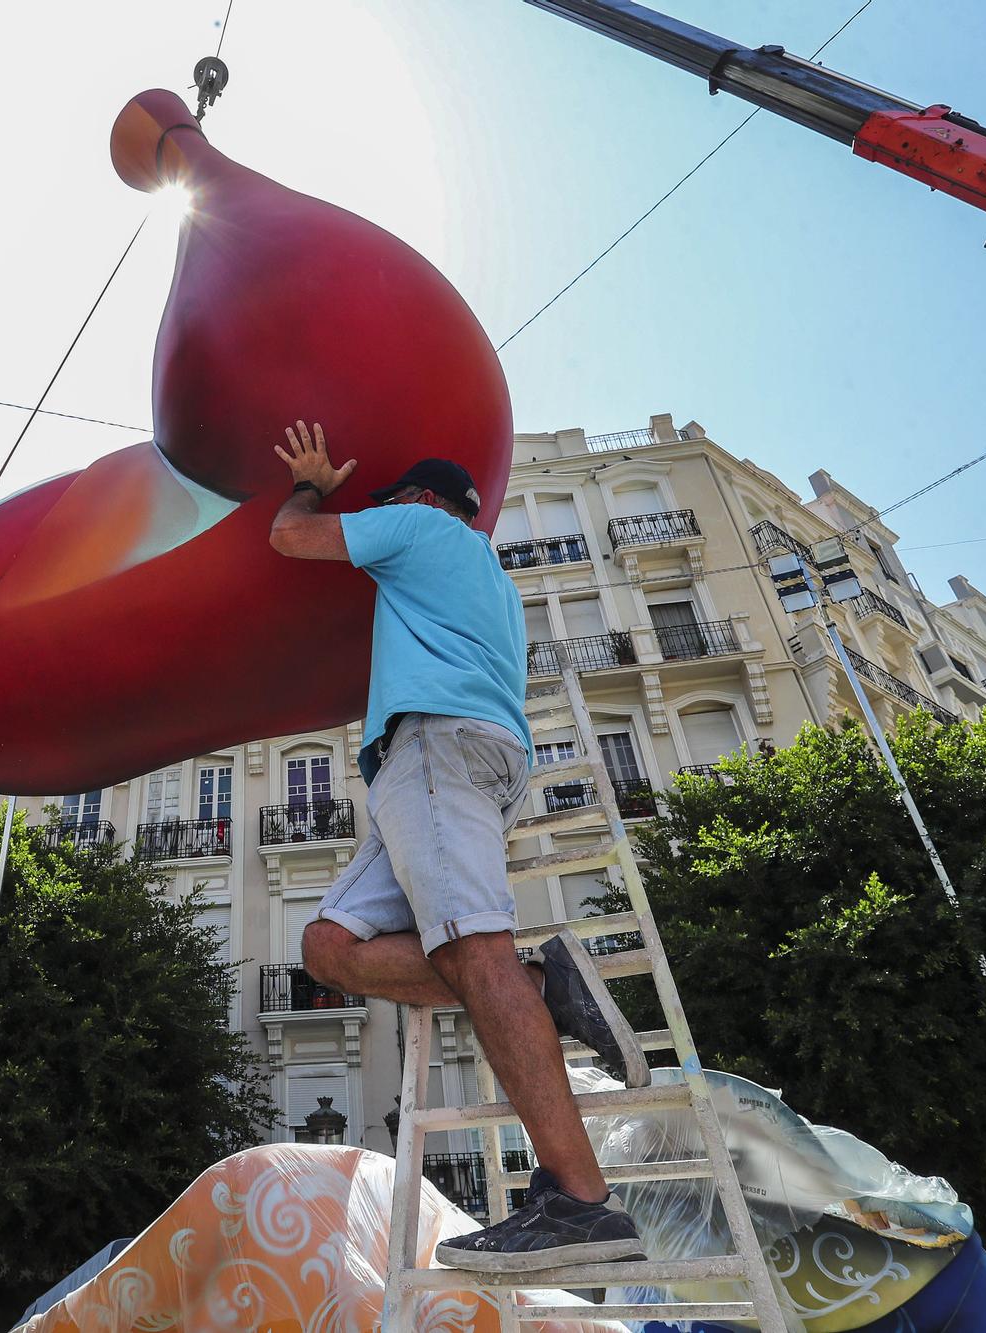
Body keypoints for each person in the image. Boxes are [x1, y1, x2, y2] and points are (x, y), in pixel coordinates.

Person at [269, 420, 649, 1272]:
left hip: (435, 752)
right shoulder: (496, 583)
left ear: (424, 499)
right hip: (457, 758)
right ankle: (545, 985)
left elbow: (289, 536)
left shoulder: (421, 528)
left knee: (476, 953)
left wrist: (311, 485)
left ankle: (582, 1202)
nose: (389, 509)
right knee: (328, 948)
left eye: (396, 495)